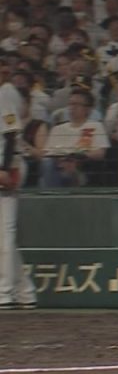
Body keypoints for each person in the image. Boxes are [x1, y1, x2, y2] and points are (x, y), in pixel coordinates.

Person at [0, 80, 36, 309]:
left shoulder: (5, 91)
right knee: (4, 234)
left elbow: (11, 133)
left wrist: (4, 169)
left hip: (8, 165)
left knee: (4, 233)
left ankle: (3, 292)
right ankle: (25, 291)